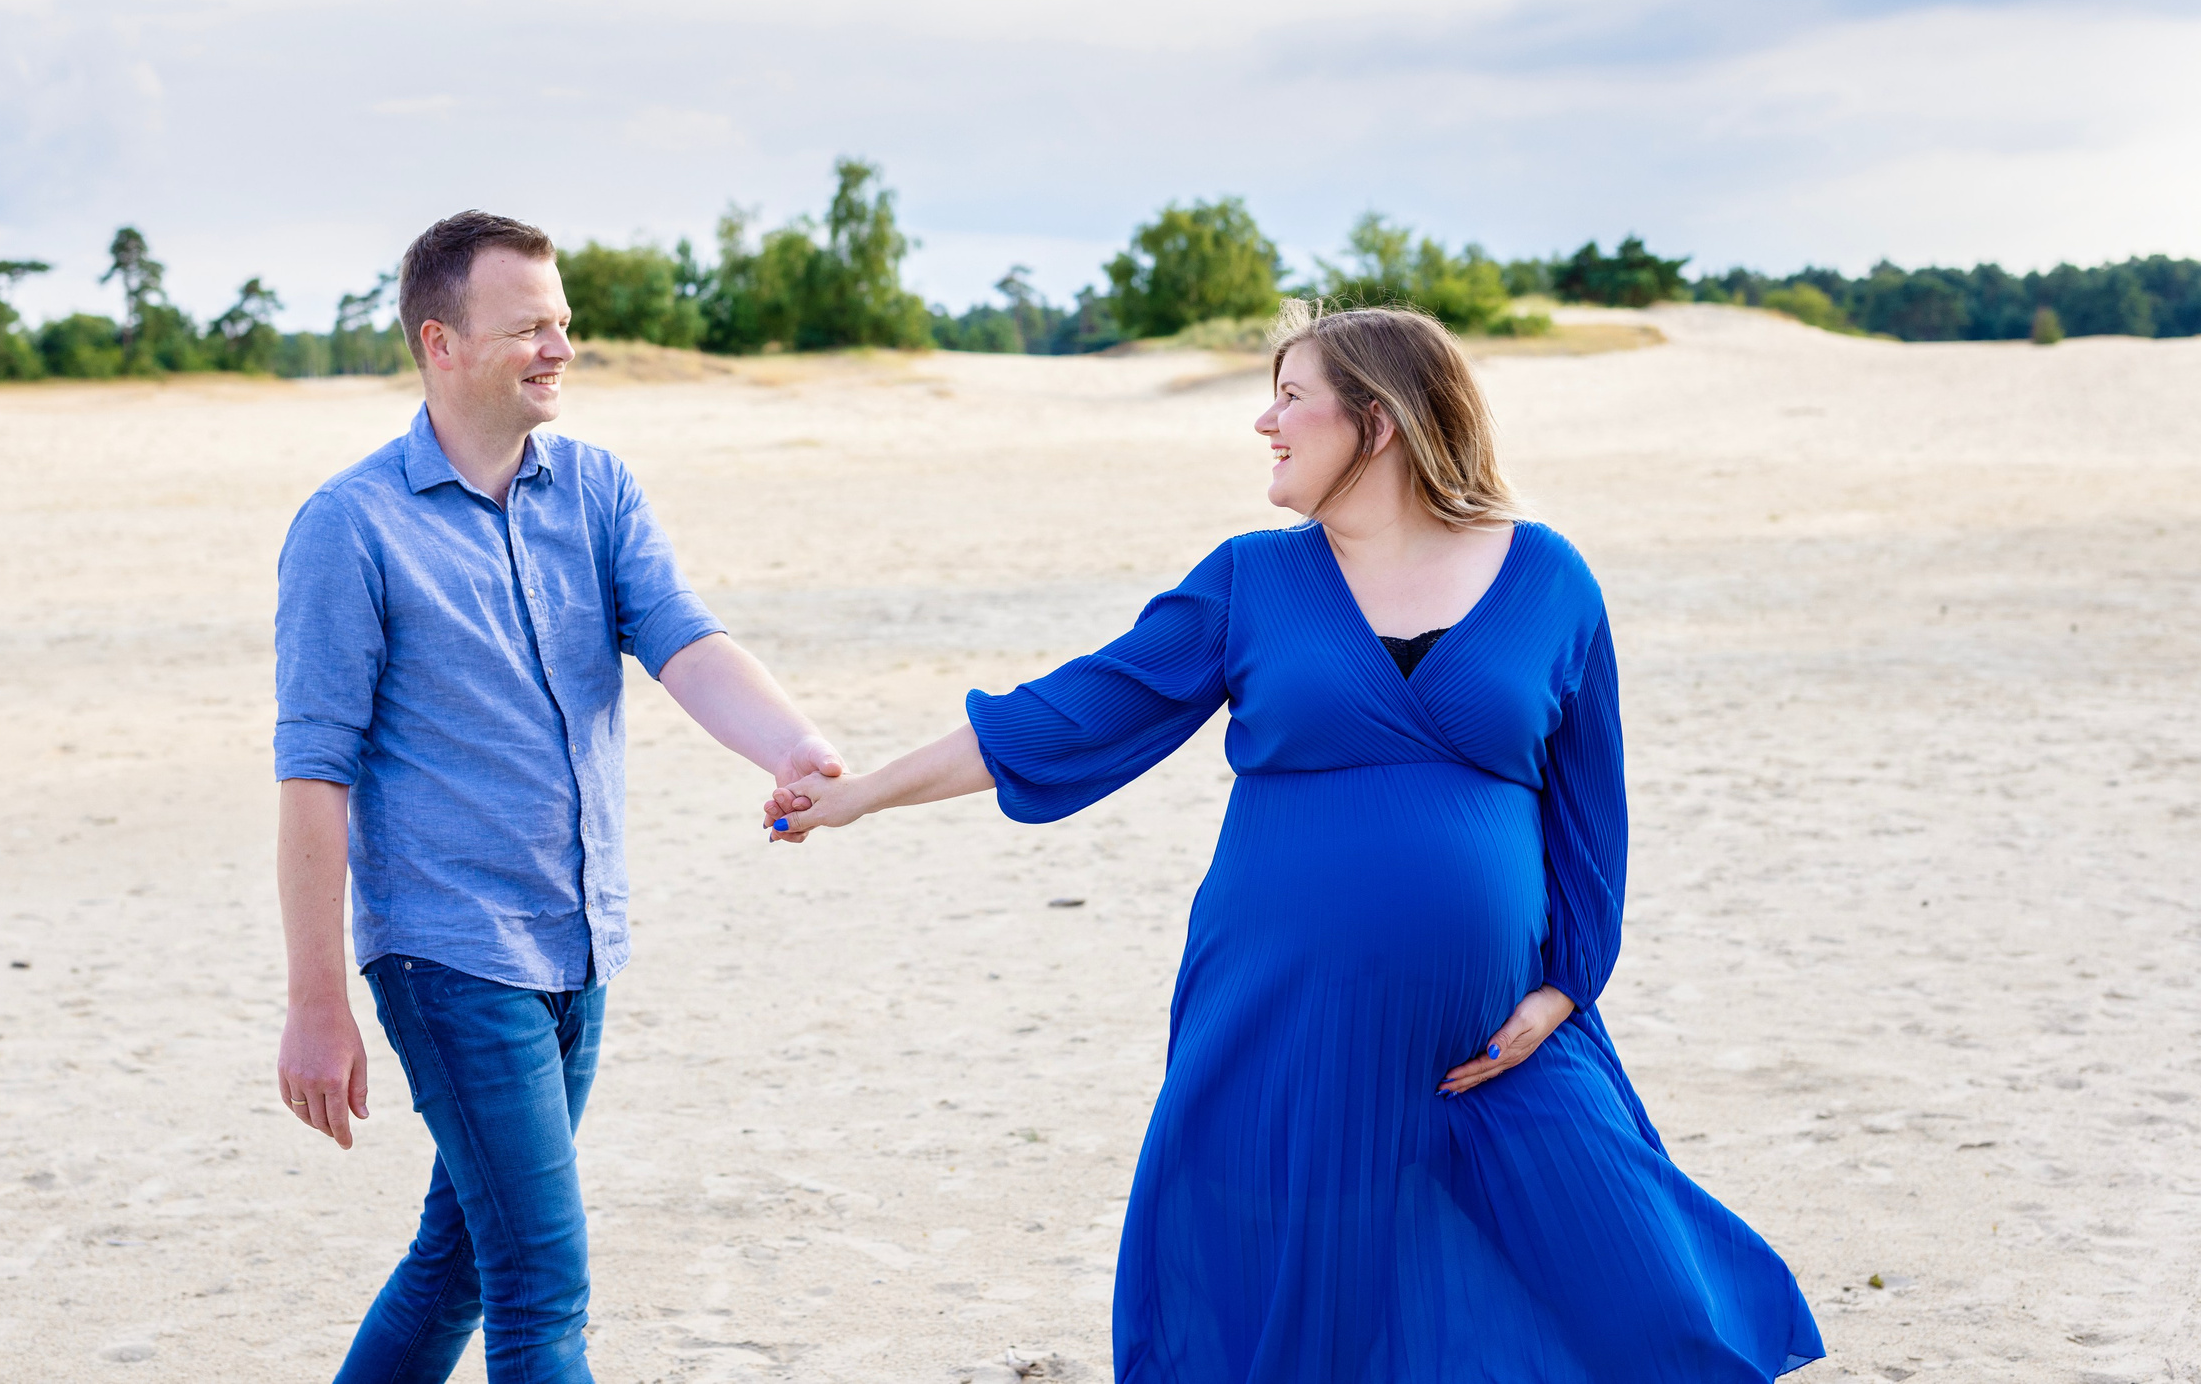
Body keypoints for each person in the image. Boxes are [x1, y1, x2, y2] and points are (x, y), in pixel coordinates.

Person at [762, 301, 1825, 1382]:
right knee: (1270, 1270)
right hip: (1279, 1007)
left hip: (1490, 1039)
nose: (1262, 423)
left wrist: (1562, 992)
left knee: (1629, 1274)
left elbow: (1591, 823)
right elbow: (1072, 711)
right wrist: (864, 796)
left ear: (1378, 423)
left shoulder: (1549, 579)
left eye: (1289, 397)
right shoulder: (1251, 580)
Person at [273, 211, 843, 1384]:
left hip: (578, 940)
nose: (560, 347)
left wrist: (791, 745)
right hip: (447, 952)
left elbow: (682, 638)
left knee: (462, 1260)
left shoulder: (596, 488)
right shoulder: (350, 528)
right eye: (529, 325)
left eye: (564, 322)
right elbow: (313, 775)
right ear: (441, 340)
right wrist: (317, 1002)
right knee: (542, 1281)